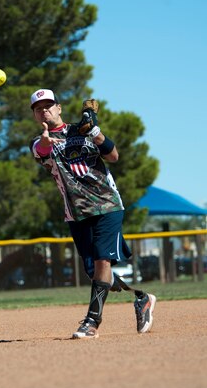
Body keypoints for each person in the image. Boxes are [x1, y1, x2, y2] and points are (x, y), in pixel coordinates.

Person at [29, 88, 156, 339]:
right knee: (95, 272)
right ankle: (142, 297)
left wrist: (95, 131)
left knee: (102, 261)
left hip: (107, 204)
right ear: (35, 115)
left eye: (48, 105)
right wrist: (44, 142)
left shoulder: (83, 130)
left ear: (59, 107)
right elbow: (41, 152)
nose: (44, 110)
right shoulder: (37, 142)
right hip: (76, 214)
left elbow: (113, 155)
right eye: (38, 108)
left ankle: (91, 322)